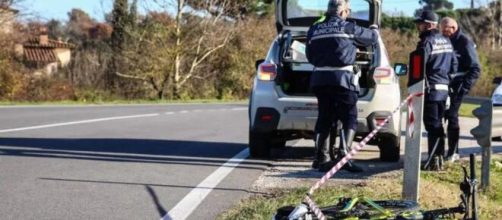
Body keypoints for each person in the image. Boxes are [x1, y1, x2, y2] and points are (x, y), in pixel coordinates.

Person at [306, 0, 378, 172]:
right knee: (349, 117)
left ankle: (320, 159)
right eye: (349, 10)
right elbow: (372, 38)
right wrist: (374, 28)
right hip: (343, 79)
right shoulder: (348, 27)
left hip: (320, 79)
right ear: (344, 11)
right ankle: (343, 156)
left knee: (324, 117)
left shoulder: (314, 29)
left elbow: (309, 55)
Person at [414, 11, 458, 170]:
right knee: (438, 125)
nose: (418, 27)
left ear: (427, 24)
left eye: (419, 24)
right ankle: (438, 159)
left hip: (431, 91)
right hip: (444, 90)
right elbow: (454, 66)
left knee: (433, 126)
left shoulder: (427, 42)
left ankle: (433, 162)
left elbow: (419, 68)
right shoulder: (446, 41)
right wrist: (446, 80)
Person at [440, 17, 481, 163]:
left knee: (452, 116)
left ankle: (453, 152)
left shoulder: (464, 42)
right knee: (439, 117)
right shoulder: (443, 40)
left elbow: (475, 68)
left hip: (457, 87)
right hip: (443, 85)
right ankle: (439, 152)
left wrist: (464, 87)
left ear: (453, 27)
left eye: (446, 30)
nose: (443, 32)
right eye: (441, 29)